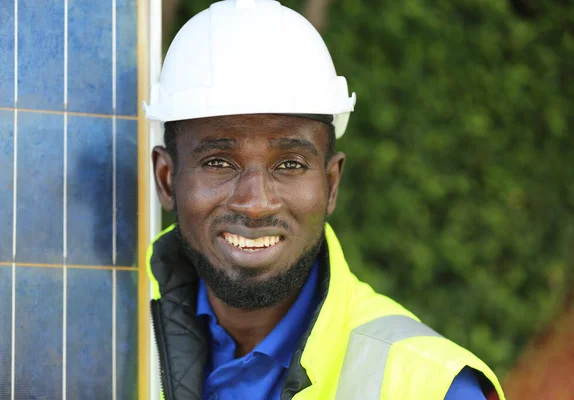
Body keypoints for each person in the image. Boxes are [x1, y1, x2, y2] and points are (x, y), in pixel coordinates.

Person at [144, 0, 505, 399]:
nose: (255, 203)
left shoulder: (434, 389)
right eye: (218, 162)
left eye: (290, 164)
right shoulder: (113, 348)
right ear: (166, 179)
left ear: (331, 184)